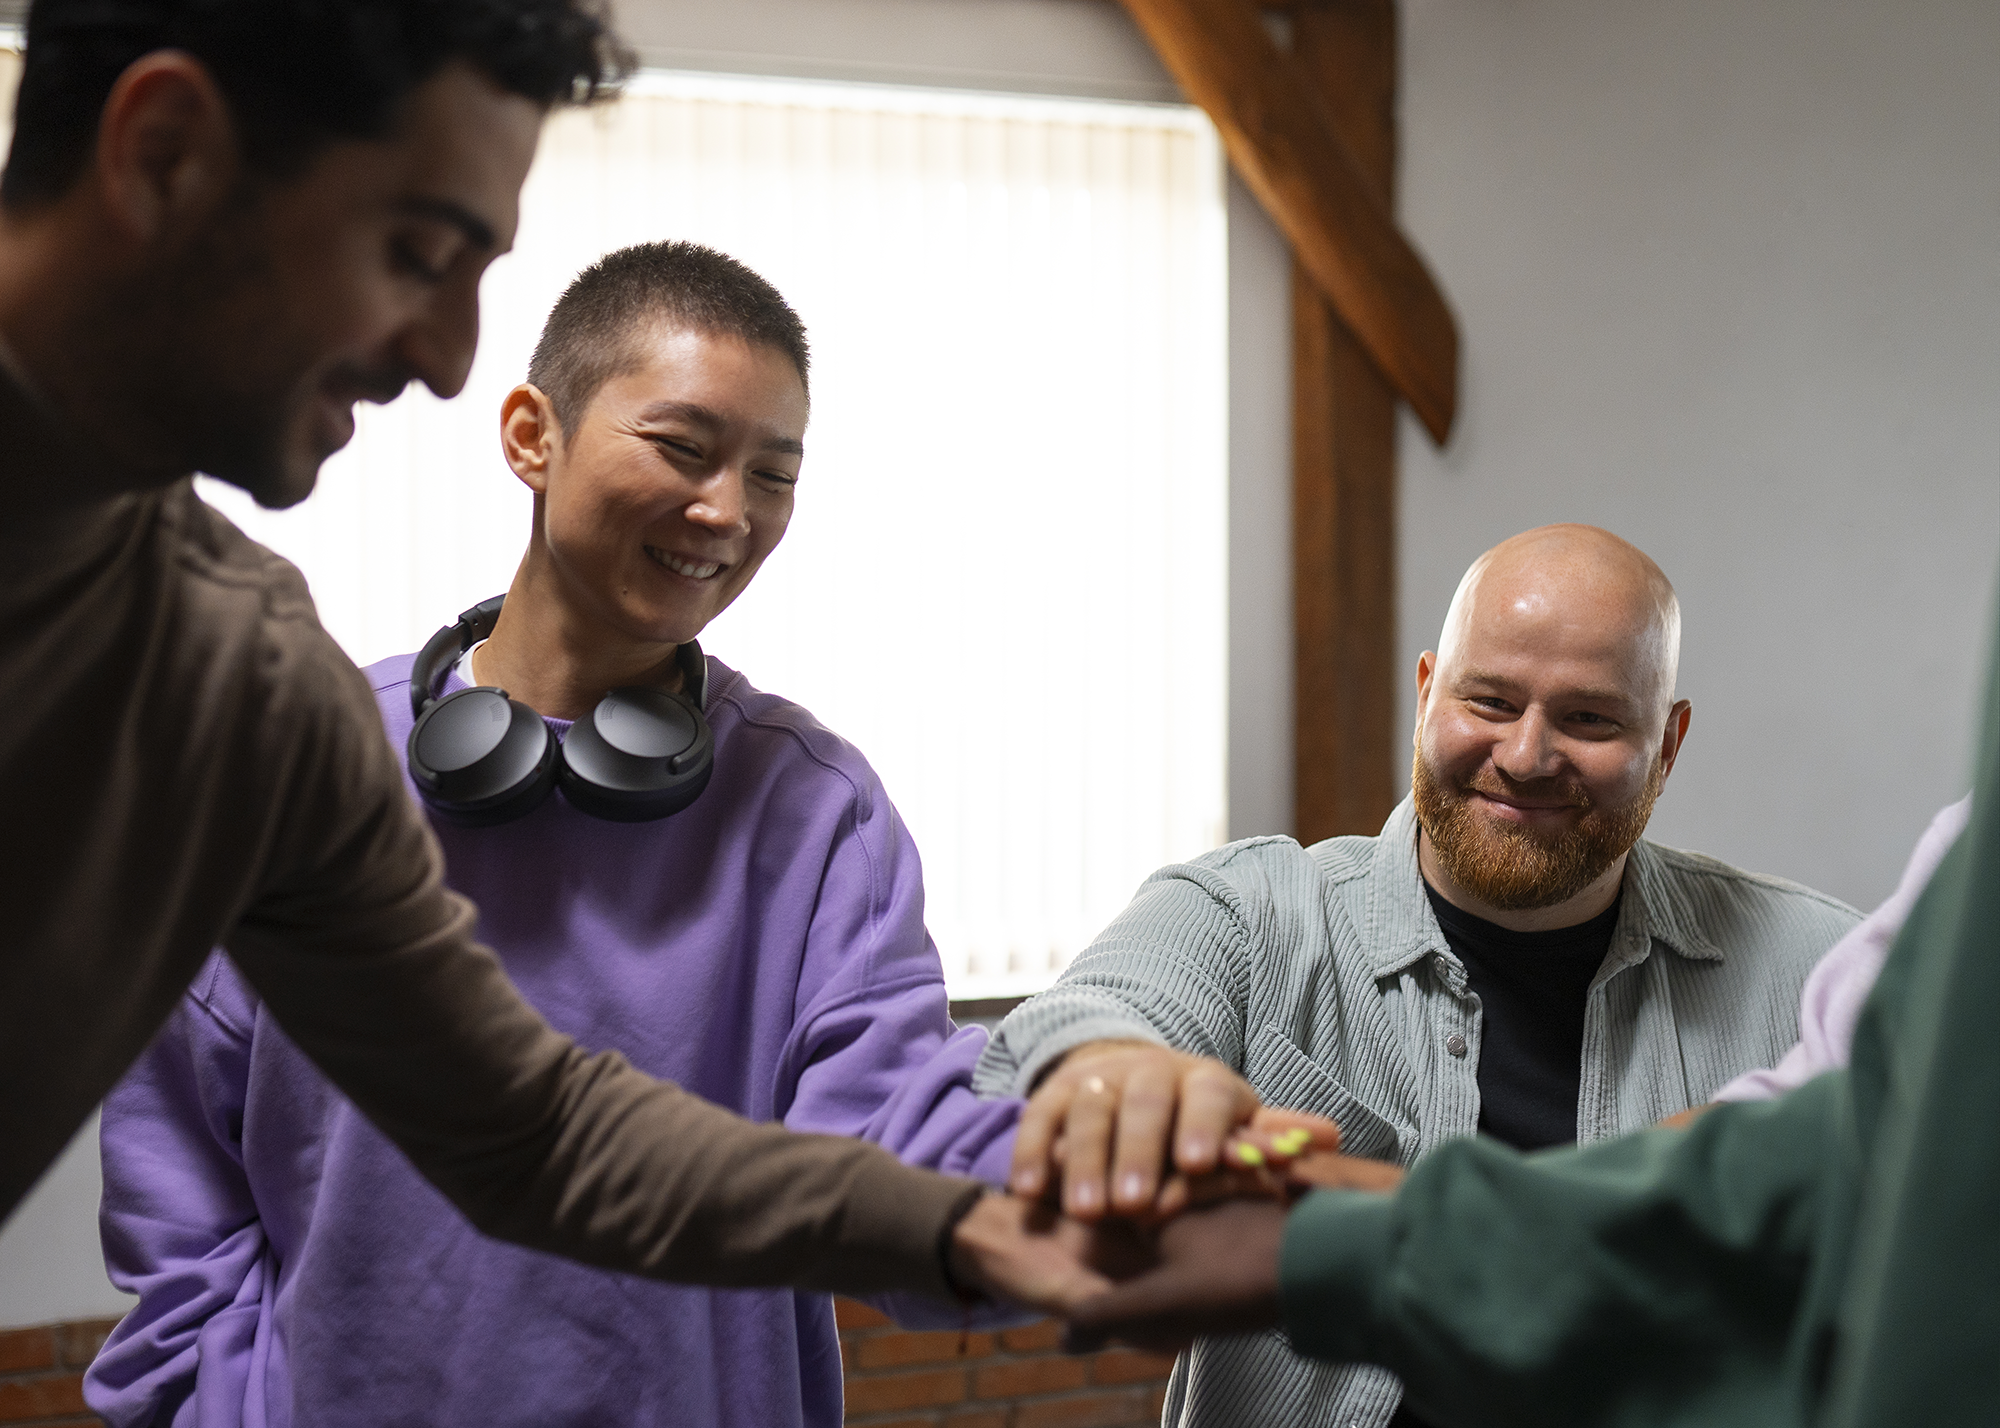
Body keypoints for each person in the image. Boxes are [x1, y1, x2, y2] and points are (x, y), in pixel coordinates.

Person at [0, 0, 1110, 1316]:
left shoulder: (237, 684)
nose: (449, 357)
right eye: (415, 249)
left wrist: (1063, 1215)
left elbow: (533, 1133)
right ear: (166, 150)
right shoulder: (292, 704)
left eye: (772, 473)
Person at [85, 241, 1047, 1428]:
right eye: (684, 448)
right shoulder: (293, 769)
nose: (726, 512)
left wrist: (1097, 1167)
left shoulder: (813, 814)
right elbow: (180, 1205)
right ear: (533, 436)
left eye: (774, 475)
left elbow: (897, 1136)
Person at [974, 524, 1859, 1427]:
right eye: (1490, 701)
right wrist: (1107, 1070)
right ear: (1428, 691)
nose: (1525, 755)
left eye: (1589, 718)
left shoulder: (1816, 970)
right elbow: (1090, 1014)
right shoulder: (1254, 913)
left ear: (1667, 745)